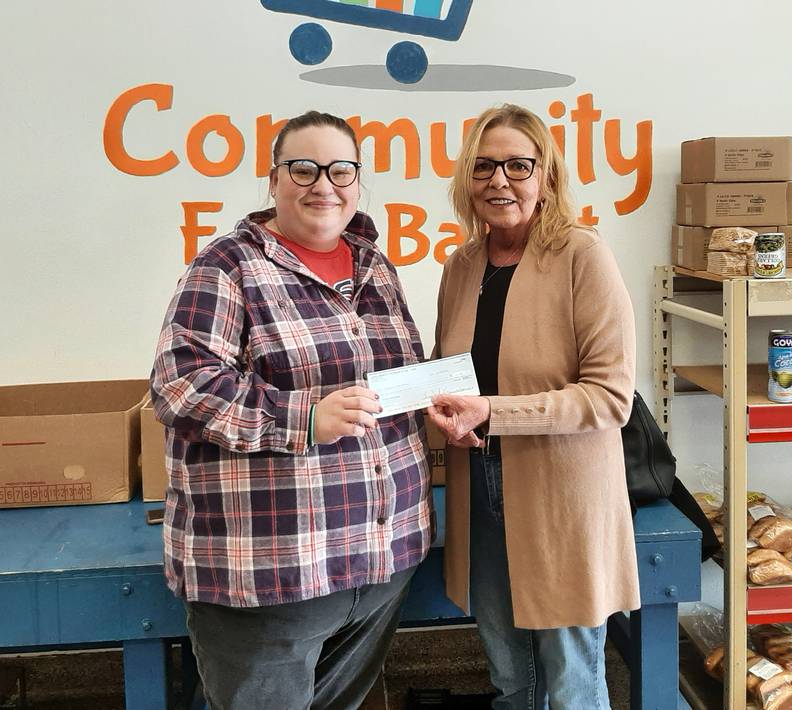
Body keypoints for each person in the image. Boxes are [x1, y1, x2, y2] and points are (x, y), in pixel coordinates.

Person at [150, 110, 432, 710]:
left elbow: (389, 384)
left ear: (358, 181)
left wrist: (437, 402)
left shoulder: (376, 268)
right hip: (273, 575)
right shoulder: (227, 267)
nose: (323, 185)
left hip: (378, 562)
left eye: (341, 170)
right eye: (303, 168)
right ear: (273, 179)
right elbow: (182, 386)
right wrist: (304, 417)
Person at [427, 104, 639, 710]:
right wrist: (438, 412)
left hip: (562, 495)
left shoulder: (582, 255)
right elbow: (449, 374)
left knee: (572, 678)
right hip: (479, 490)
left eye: (519, 165)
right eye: (485, 167)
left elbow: (609, 396)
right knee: (507, 673)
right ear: (468, 179)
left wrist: (491, 413)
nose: (500, 181)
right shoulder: (461, 266)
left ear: (546, 174)